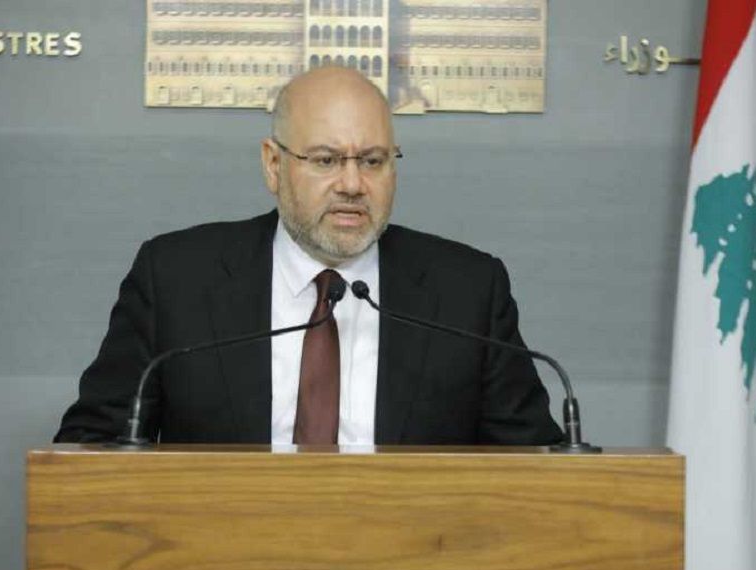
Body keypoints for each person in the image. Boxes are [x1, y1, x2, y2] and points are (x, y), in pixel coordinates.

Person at [54, 66, 562, 445]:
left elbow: (535, 466)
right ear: (273, 165)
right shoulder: (175, 280)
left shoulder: (467, 292)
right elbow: (93, 447)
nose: (352, 184)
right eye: (325, 160)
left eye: (373, 161)